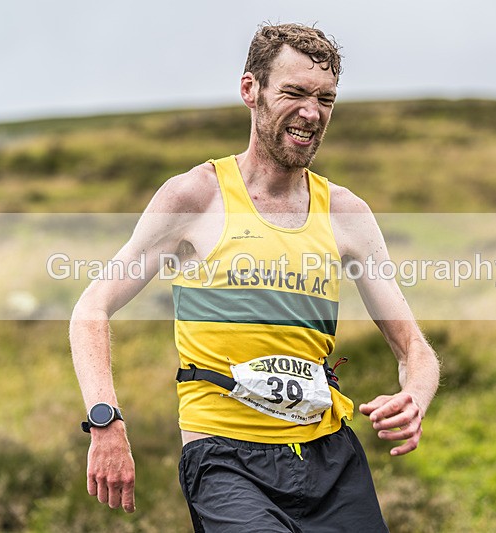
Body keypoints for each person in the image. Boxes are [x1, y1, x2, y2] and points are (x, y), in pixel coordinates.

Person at [70, 22, 440, 532]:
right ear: (251, 90)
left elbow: (414, 349)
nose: (311, 113)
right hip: (225, 461)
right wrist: (105, 422)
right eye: (294, 92)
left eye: (325, 99)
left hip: (330, 459)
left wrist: (414, 398)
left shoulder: (345, 213)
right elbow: (91, 308)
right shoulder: (195, 198)